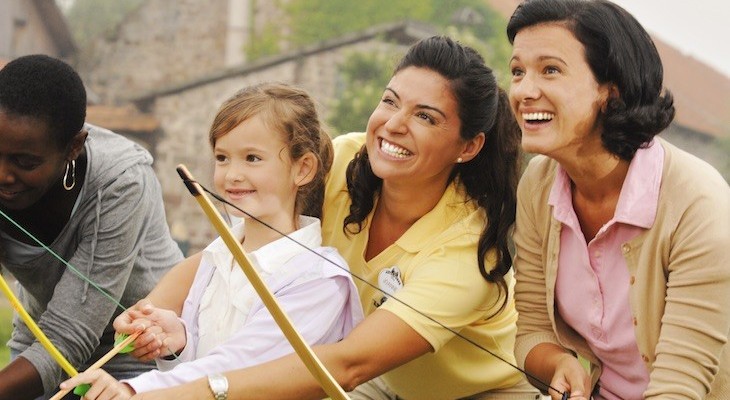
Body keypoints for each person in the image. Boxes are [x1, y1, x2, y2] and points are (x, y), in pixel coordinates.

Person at [98, 35, 541, 400]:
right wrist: (152, 311)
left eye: (425, 117)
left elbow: (349, 364)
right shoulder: (344, 159)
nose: (394, 124)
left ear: (468, 146)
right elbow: (234, 249)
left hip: (474, 392)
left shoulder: (467, 250)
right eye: (391, 101)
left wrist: (157, 393)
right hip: (378, 380)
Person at [58, 82, 364, 398]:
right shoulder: (220, 255)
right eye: (222, 157)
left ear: (303, 168)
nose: (231, 174)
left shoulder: (319, 279)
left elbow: (237, 366)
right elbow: (207, 358)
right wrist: (180, 341)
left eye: (252, 158)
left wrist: (134, 388)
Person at [506, 0, 730, 399]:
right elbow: (533, 330)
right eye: (518, 72)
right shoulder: (538, 186)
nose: (524, 90)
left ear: (611, 92)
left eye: (550, 70)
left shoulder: (698, 206)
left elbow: (679, 387)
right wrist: (560, 363)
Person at [0, 55, 184, 400]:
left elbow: (70, 333)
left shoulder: (121, 182)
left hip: (140, 353)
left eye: (25, 162)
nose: (3, 175)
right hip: (39, 341)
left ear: (74, 147)